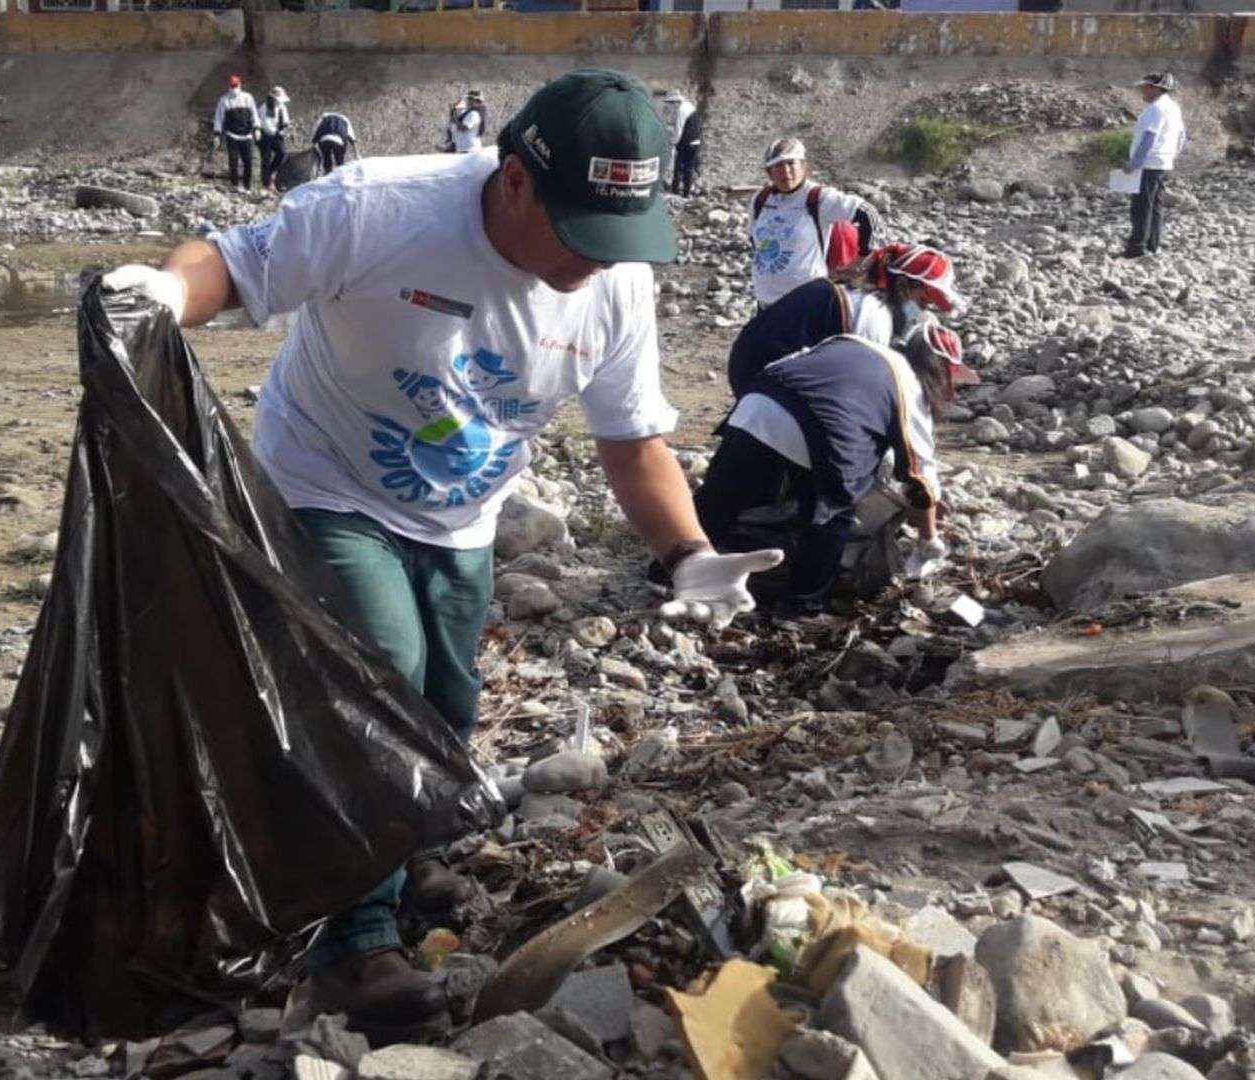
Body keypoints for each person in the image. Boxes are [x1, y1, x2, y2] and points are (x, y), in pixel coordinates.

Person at [99, 69, 780, 1033]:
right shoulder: (381, 207)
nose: (596, 260)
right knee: (381, 682)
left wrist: (688, 553)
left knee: (446, 710)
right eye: (580, 228)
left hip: (461, 514)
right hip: (324, 481)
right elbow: (237, 264)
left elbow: (631, 445)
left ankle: (401, 849)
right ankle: (351, 947)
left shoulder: (615, 284)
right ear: (513, 182)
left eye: (617, 235)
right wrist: (168, 289)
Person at [696, 319, 968, 611]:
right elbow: (921, 476)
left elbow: (788, 364)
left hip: (758, 402)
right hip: (818, 426)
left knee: (723, 492)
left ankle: (671, 571)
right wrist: (929, 540)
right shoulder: (909, 388)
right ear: (937, 371)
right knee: (833, 513)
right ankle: (800, 605)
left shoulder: (850, 341)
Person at [726, 243, 964, 398]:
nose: (920, 312)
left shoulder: (856, 292)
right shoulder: (870, 313)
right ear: (903, 285)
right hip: (763, 382)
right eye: (922, 302)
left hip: (754, 371)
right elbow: (858, 385)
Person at [748, 137, 877, 309]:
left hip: (806, 303)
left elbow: (868, 213)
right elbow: (754, 240)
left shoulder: (819, 198)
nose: (785, 171)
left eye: (790, 163)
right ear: (769, 172)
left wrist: (863, 258)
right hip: (765, 301)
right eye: (778, 166)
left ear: (803, 166)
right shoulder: (760, 199)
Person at [1123, 72, 1186, 259]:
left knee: (1141, 206)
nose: (1142, 90)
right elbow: (1182, 136)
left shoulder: (1155, 109)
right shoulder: (1173, 108)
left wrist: (1135, 163)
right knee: (1155, 205)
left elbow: (1150, 137)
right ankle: (1152, 245)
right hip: (1163, 162)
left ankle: (1137, 248)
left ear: (1155, 88)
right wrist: (1172, 155)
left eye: (1145, 87)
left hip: (1149, 164)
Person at [213, 75, 258, 191]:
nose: (234, 88)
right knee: (233, 161)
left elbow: (254, 114)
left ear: (240, 85)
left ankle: (247, 186)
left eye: (236, 85)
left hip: (247, 136)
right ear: (229, 86)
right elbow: (219, 117)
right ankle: (235, 185)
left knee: (247, 161)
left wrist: (257, 128)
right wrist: (217, 134)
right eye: (232, 86)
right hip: (232, 135)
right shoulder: (224, 100)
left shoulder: (248, 98)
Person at [656, 89, 700, 195]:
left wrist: (672, 142)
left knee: (680, 168)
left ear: (676, 102)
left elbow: (679, 130)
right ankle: (685, 192)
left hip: (687, 143)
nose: (671, 106)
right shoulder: (689, 106)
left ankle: (677, 192)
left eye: (671, 103)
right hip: (694, 141)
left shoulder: (682, 110)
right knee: (688, 167)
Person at [257, 86, 291, 193]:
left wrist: (287, 129)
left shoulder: (282, 107)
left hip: (277, 134)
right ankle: (266, 183)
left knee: (282, 152)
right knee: (266, 158)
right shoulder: (265, 108)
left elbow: (285, 120)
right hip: (264, 135)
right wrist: (278, 132)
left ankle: (271, 173)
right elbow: (266, 125)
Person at [443, 89, 487, 154]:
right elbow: (456, 125)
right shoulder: (469, 113)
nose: (468, 101)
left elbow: (463, 128)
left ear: (475, 100)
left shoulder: (474, 114)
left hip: (470, 150)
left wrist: (453, 117)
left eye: (469, 99)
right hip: (464, 149)